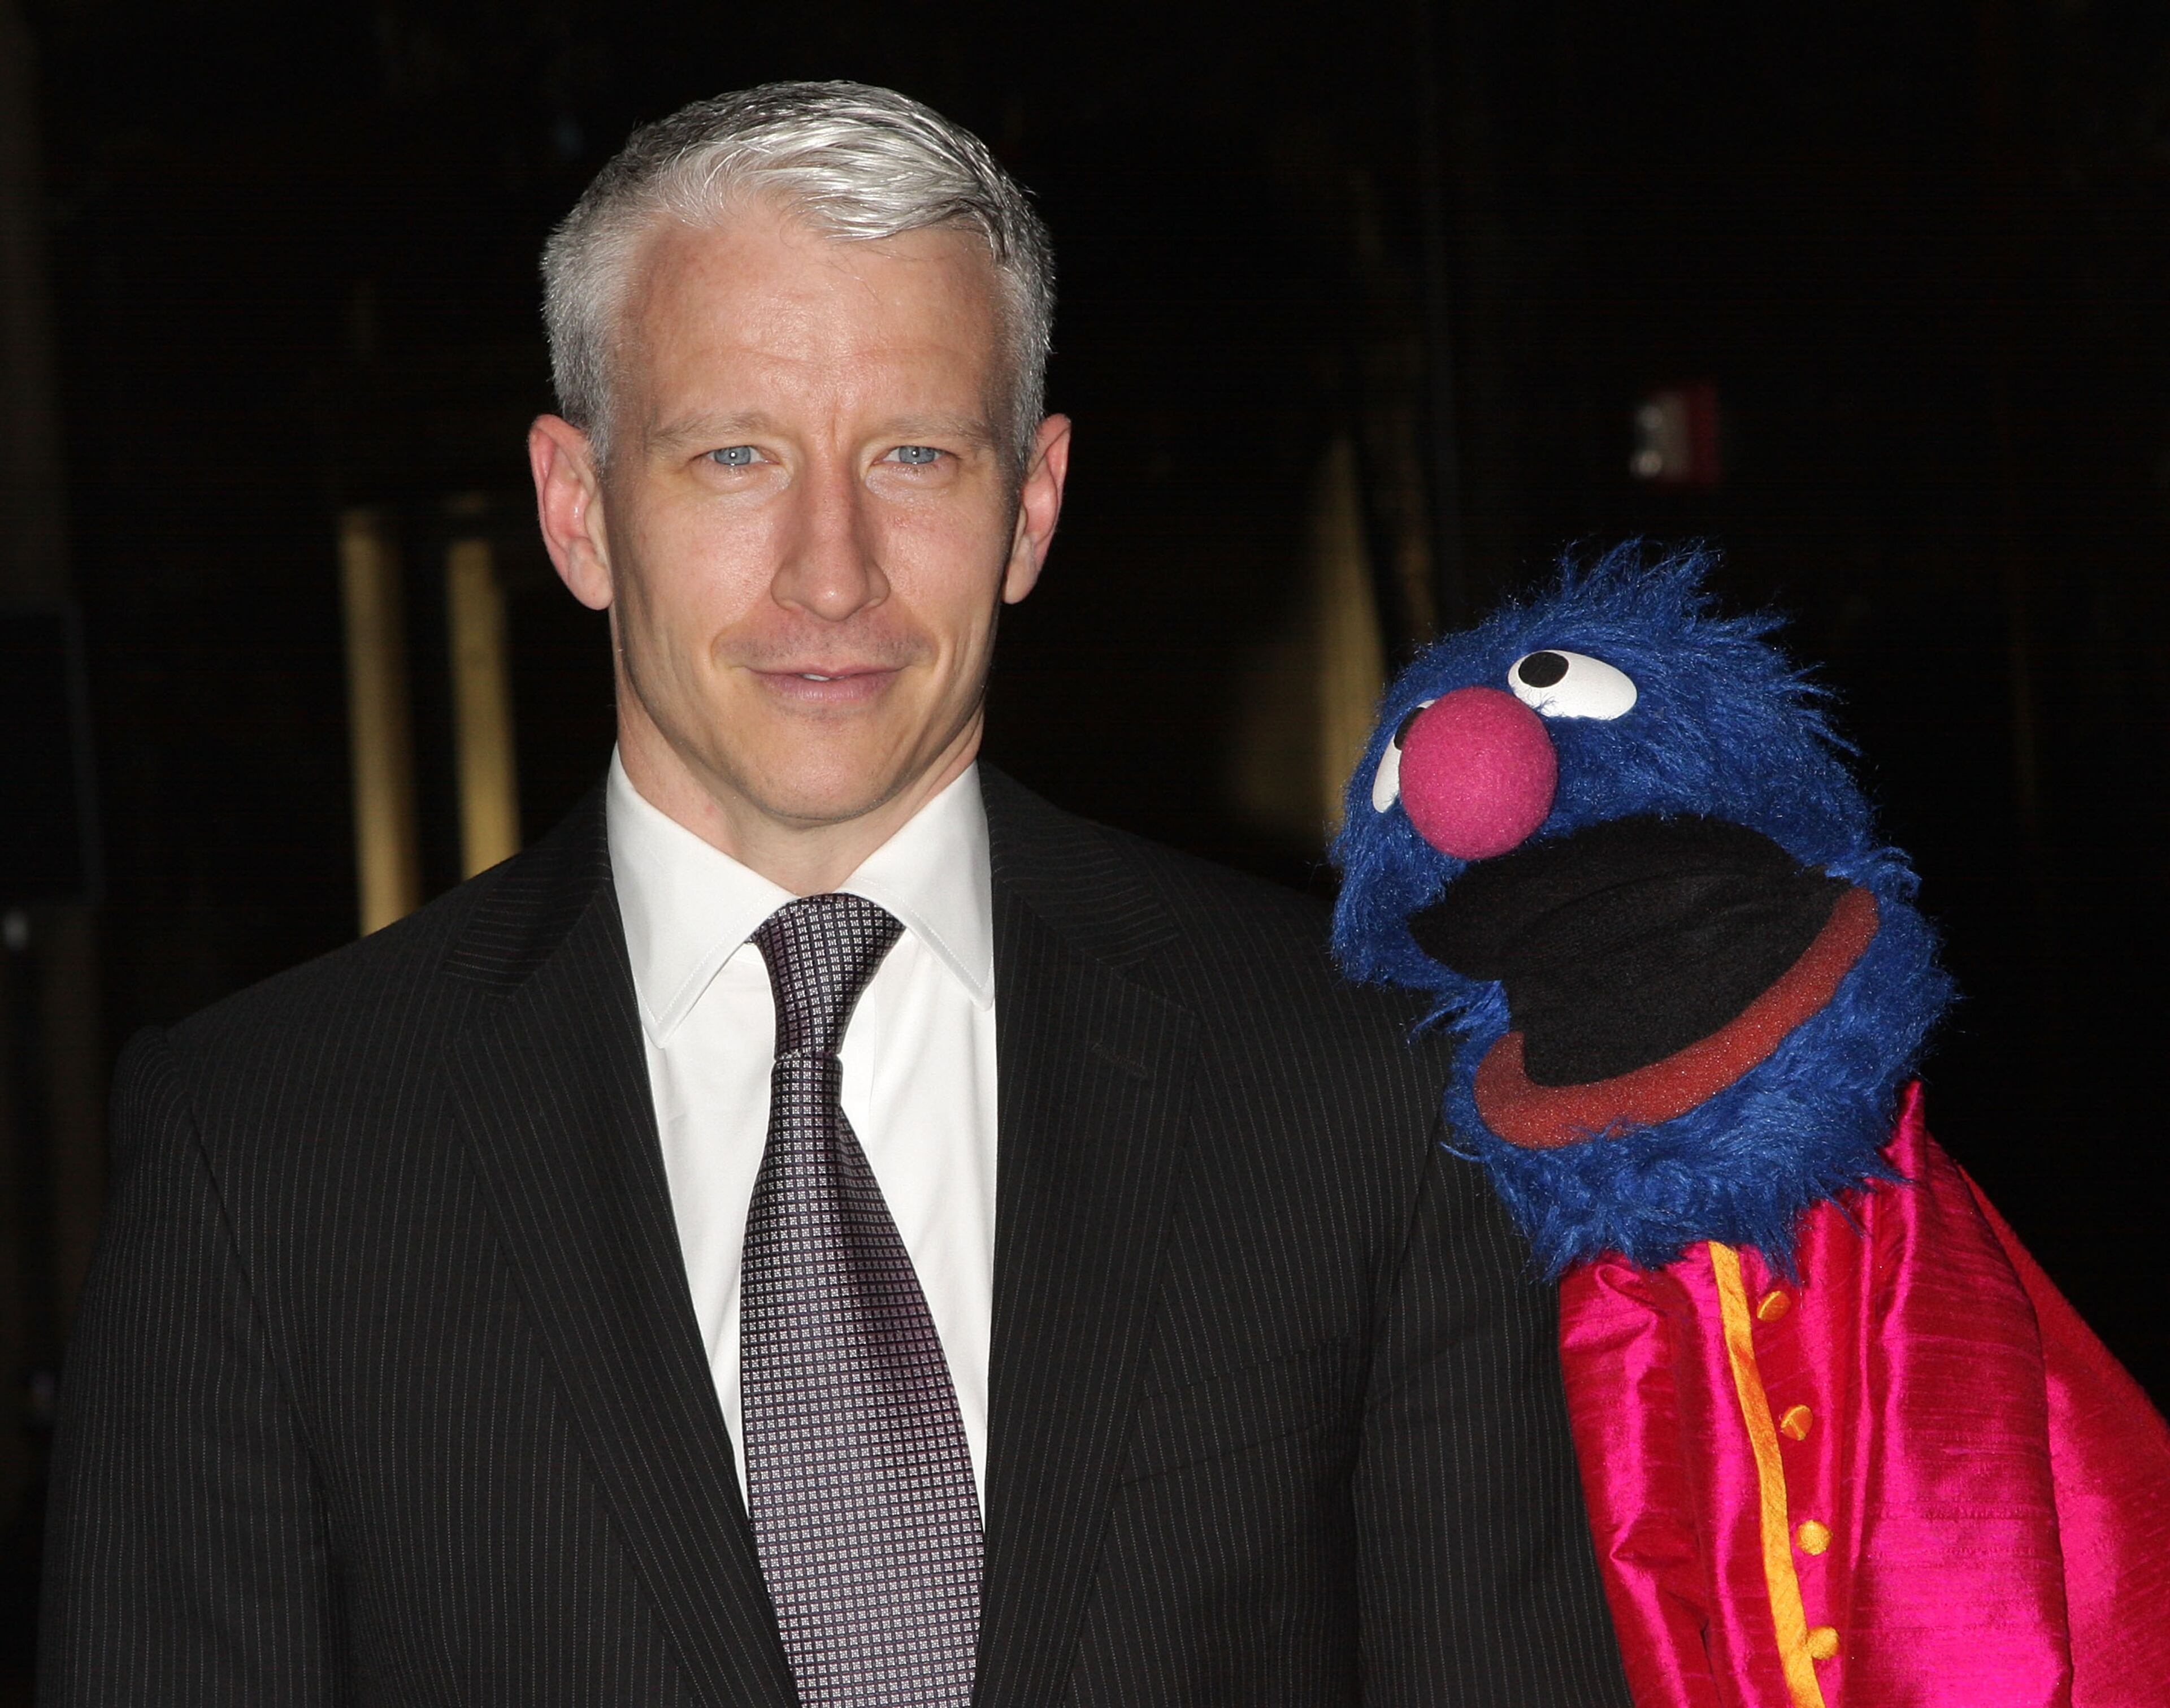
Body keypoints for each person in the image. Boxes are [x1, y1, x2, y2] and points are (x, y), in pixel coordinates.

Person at [41, 83, 1629, 1706]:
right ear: (577, 509)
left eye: (915, 455)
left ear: (1033, 504)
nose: (830, 570)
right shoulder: (266, 1159)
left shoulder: (1367, 1083)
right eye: (735, 454)